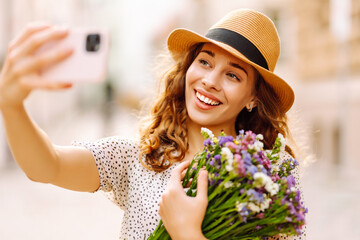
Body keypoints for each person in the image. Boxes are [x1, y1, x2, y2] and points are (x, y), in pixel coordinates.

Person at [0, 9, 306, 240]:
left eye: (233, 75)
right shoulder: (140, 160)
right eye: (205, 62)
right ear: (188, 68)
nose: (209, 81)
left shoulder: (268, 182)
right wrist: (11, 106)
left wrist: (188, 233)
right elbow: (47, 166)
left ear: (253, 98)